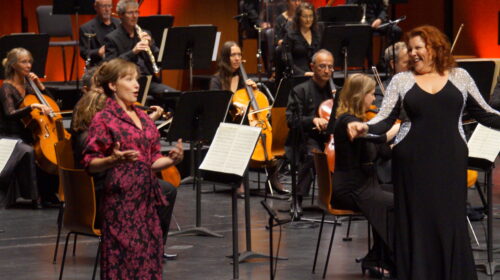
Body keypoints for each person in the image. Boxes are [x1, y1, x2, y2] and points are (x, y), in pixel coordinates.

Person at [348, 25, 500, 280]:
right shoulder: (401, 80)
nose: (413, 53)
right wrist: (363, 126)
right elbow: (384, 120)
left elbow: (485, 113)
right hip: (412, 162)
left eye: (419, 47)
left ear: (435, 47)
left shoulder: (459, 76)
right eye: (411, 49)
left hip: (450, 159)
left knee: (449, 220)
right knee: (417, 223)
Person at [82, 58, 183, 278]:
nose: (137, 85)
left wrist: (172, 160)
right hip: (121, 202)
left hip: (146, 199)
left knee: (150, 258)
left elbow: (152, 159)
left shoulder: (143, 118)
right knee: (125, 264)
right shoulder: (104, 119)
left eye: (137, 79)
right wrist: (112, 160)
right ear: (113, 85)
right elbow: (90, 162)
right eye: (129, 79)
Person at [333, 73, 400, 277]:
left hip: (366, 184)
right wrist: (399, 125)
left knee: (404, 195)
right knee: (397, 203)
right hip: (351, 189)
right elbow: (376, 138)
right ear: (360, 96)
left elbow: (379, 151)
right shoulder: (347, 122)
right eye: (371, 94)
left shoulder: (361, 121)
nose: (373, 99)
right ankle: (385, 258)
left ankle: (379, 257)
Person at [209, 41, 288, 196]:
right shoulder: (216, 80)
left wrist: (255, 91)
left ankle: (273, 177)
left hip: (246, 122)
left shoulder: (244, 79)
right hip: (226, 123)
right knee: (241, 136)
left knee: (277, 137)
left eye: (239, 55)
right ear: (226, 57)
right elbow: (216, 106)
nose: (237, 58)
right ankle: (239, 181)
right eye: (233, 55)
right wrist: (233, 104)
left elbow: (255, 105)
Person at [0, 48, 57, 208]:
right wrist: (31, 106)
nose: (28, 65)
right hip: (11, 136)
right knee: (30, 151)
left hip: (30, 133)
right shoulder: (6, 87)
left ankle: (49, 193)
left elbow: (52, 105)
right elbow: (10, 113)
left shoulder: (30, 85)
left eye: (29, 61)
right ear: (13, 65)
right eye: (23, 62)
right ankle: (35, 197)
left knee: (54, 149)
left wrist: (40, 86)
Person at [285, 49, 336, 213]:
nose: (327, 70)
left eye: (330, 66)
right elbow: (291, 120)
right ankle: (297, 198)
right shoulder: (300, 90)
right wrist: (312, 120)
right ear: (312, 67)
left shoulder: (337, 92)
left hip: (331, 137)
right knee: (312, 155)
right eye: (322, 66)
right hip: (307, 137)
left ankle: (338, 197)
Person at [104, 0, 176, 103]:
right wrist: (133, 52)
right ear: (121, 15)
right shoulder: (112, 38)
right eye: (130, 13)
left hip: (149, 81)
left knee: (176, 96)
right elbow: (110, 66)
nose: (134, 16)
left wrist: (151, 45)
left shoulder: (145, 33)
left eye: (136, 12)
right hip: (127, 83)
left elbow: (159, 58)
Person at [282, 2, 322, 77]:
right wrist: (304, 73)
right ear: (298, 18)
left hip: (315, 75)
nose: (308, 20)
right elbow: (287, 62)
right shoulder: (290, 35)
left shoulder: (317, 34)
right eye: (305, 16)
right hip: (298, 76)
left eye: (311, 16)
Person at [79, 0, 120, 67]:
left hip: (120, 66)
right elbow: (84, 53)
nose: (107, 9)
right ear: (96, 7)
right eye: (103, 6)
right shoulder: (86, 28)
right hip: (98, 67)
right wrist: (98, 52)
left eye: (109, 6)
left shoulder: (120, 24)